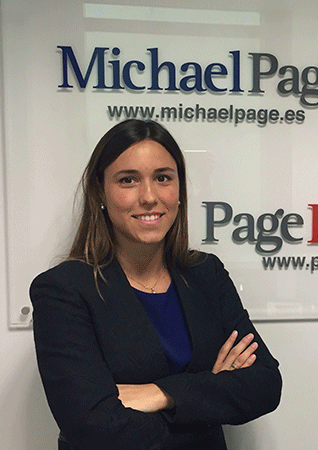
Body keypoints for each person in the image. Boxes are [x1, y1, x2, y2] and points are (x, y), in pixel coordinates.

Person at [29, 119, 282, 450]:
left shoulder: (206, 274)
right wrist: (209, 394)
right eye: (128, 180)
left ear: (179, 190)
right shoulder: (63, 290)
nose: (149, 197)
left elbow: (265, 385)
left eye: (163, 178)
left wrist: (159, 394)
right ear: (100, 192)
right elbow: (92, 427)